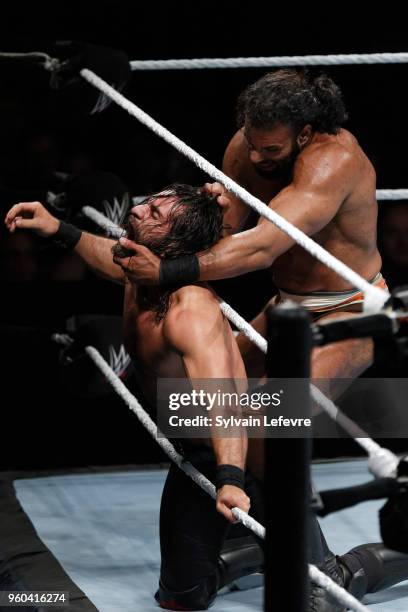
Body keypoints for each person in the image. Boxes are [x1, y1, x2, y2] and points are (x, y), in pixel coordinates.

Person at [5, 186, 408, 612]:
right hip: (197, 446)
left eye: (154, 212)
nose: (139, 209)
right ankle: (264, 553)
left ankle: (376, 559)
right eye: (148, 204)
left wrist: (232, 479)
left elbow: (225, 404)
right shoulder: (138, 268)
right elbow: (110, 258)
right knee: (181, 597)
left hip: (251, 445)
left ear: (172, 246)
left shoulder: (190, 311)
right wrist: (60, 230)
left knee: (318, 595)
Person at [115, 69, 387, 385]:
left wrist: (164, 271)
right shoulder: (248, 147)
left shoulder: (333, 162)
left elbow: (262, 248)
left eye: (271, 150)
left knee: (278, 407)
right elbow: (221, 237)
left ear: (304, 134)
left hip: (351, 309)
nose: (256, 157)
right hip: (287, 303)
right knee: (203, 387)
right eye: (251, 143)